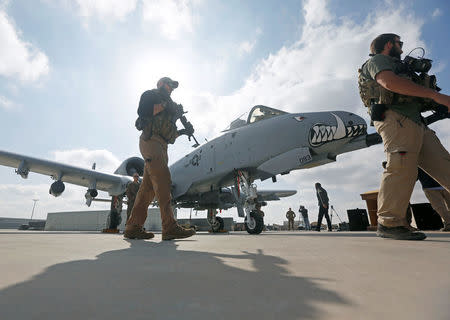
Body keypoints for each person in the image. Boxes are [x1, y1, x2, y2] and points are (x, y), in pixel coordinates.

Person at [358, 33, 450, 240]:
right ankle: (390, 222)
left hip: (417, 121)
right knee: (402, 166)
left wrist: (439, 105)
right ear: (389, 44)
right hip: (395, 117)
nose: (402, 47)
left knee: (445, 165)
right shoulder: (377, 61)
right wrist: (436, 96)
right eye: (400, 43)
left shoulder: (402, 69)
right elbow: (389, 82)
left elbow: (414, 94)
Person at [124, 77, 196, 240]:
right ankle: (169, 227)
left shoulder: (169, 110)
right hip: (151, 141)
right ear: (161, 84)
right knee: (163, 180)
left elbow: (170, 135)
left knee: (147, 190)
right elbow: (144, 112)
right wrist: (166, 105)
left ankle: (133, 227)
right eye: (170, 85)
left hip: (162, 146)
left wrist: (184, 131)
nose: (171, 89)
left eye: (173, 87)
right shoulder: (150, 95)